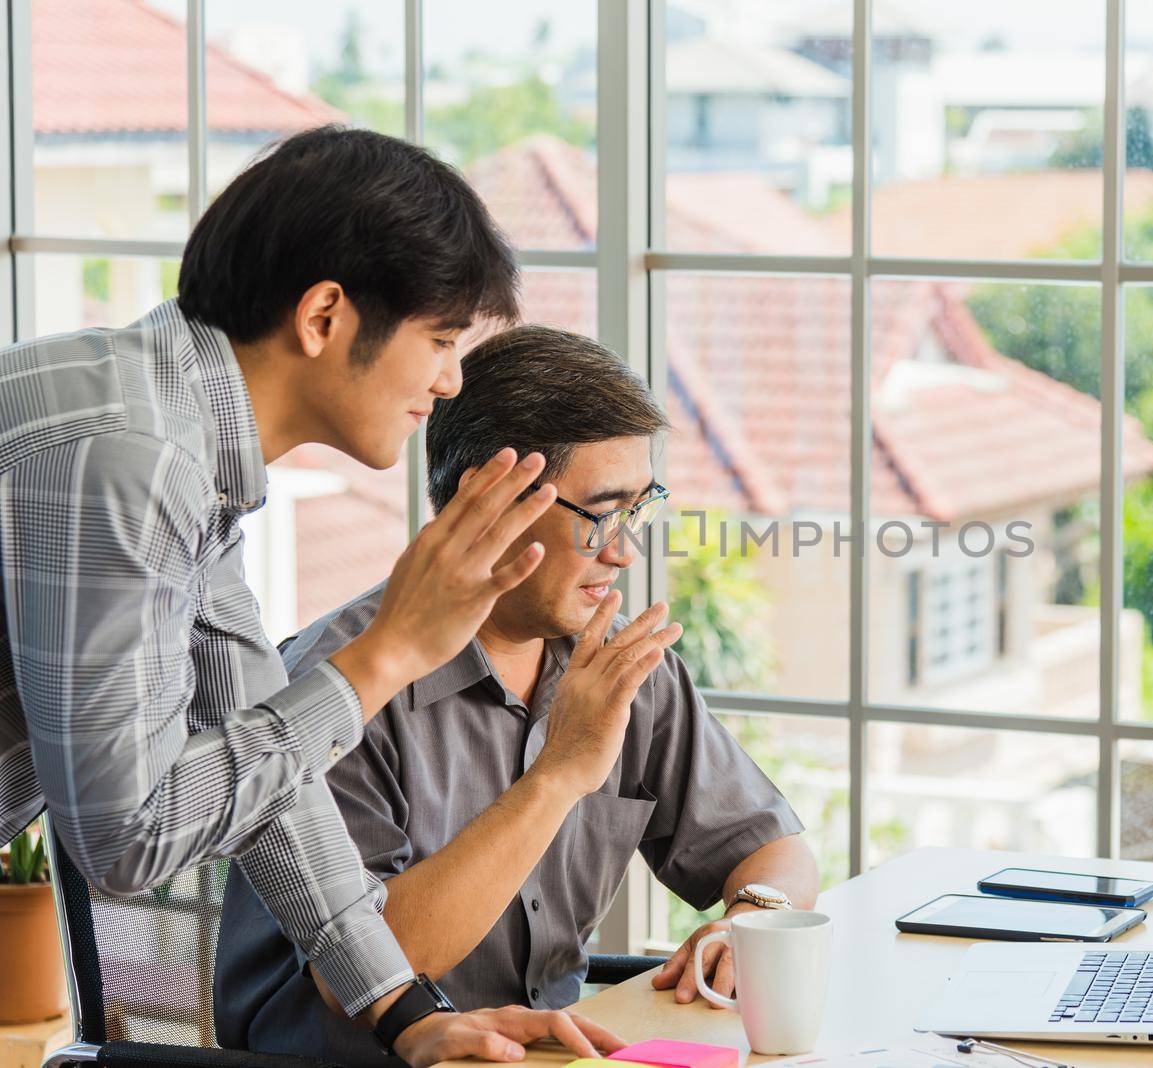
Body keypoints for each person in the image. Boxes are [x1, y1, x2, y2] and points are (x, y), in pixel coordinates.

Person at [0, 127, 641, 1064]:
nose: (451, 380)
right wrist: (385, 656)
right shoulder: (132, 459)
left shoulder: (180, 438)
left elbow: (268, 752)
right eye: (440, 338)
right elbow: (126, 841)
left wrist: (405, 1013)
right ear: (325, 316)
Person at [214, 325, 819, 1066]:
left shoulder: (616, 662)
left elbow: (774, 849)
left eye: (640, 507)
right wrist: (559, 776)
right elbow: (368, 969)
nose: (625, 549)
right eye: (601, 513)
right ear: (493, 502)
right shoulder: (342, 683)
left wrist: (752, 918)